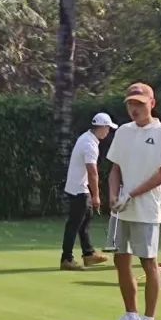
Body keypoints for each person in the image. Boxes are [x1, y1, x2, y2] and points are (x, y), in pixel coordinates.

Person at [102, 83, 161, 320]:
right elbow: (115, 169)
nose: (135, 109)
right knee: (121, 259)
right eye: (131, 104)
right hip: (121, 210)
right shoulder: (123, 131)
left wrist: (131, 194)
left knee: (148, 262)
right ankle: (130, 315)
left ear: (152, 104)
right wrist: (113, 196)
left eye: (140, 104)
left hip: (146, 209)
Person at [60, 112, 118, 271]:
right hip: (79, 189)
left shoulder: (87, 138)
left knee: (85, 219)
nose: (108, 132)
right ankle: (66, 259)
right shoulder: (89, 144)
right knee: (74, 224)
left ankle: (88, 254)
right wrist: (96, 196)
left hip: (78, 187)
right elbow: (92, 172)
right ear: (102, 127)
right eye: (107, 128)